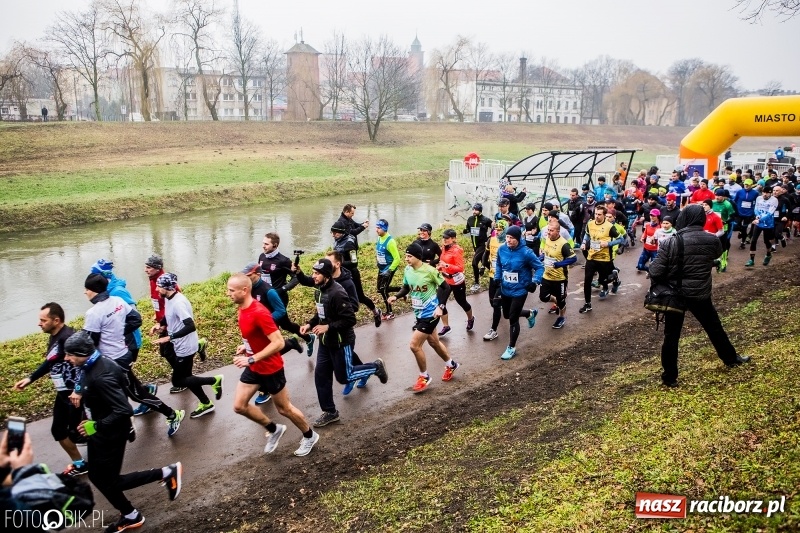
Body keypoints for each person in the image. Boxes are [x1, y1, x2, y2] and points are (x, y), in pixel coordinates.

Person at [64, 330, 183, 532]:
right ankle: (130, 514)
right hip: (100, 430)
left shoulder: (101, 375)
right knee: (97, 476)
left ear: (82, 353)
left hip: (110, 432)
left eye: (70, 355)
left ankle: (165, 473)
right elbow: (90, 380)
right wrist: (81, 395)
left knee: (108, 480)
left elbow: (124, 410)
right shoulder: (94, 362)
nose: (67, 358)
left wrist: (95, 425)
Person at [648, 205, 751, 387]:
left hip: (676, 295)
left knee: (671, 336)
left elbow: (656, 270)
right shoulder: (711, 240)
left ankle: (670, 377)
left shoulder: (672, 241)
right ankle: (731, 359)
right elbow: (711, 257)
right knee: (714, 328)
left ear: (684, 218)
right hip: (701, 293)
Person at [79, 273, 185, 438]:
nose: (85, 293)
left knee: (136, 394)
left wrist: (112, 334)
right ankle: (123, 426)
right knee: (114, 393)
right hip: (121, 355)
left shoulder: (93, 313)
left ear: (93, 291)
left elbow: (90, 344)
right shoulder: (118, 301)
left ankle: (172, 414)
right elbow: (136, 320)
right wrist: (117, 333)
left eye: (86, 289)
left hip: (114, 361)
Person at [226, 273, 320, 456]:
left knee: (284, 409)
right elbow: (256, 336)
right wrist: (246, 347)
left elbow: (278, 342)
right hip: (254, 367)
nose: (228, 294)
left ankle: (310, 436)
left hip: (270, 369)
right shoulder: (242, 309)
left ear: (244, 291)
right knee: (239, 406)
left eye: (231, 290)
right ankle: (274, 429)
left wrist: (251, 358)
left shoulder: (259, 312)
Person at [300, 259, 388, 426]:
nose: (314, 276)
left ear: (326, 275)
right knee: (321, 376)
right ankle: (330, 412)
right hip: (325, 342)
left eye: (317, 273)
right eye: (313, 272)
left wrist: (328, 327)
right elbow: (321, 313)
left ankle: (376, 367)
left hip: (341, 342)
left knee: (345, 376)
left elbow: (350, 319)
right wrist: (310, 324)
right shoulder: (319, 291)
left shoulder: (337, 292)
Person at [13, 303, 86, 477]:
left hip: (74, 395)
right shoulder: (55, 336)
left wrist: (79, 390)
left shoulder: (68, 338)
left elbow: (85, 365)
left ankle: (117, 433)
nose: (39, 323)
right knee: (59, 431)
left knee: (78, 433)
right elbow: (50, 361)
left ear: (56, 320)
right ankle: (80, 463)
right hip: (63, 394)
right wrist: (30, 378)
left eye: (43, 320)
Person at [387, 243, 461, 393]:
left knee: (414, 345)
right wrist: (397, 296)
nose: (406, 259)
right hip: (419, 313)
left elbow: (445, 287)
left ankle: (424, 376)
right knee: (434, 342)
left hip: (431, 314)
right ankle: (451, 364)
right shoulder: (408, 270)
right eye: (406, 256)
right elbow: (406, 287)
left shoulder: (429, 271)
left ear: (418, 257)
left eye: (409, 256)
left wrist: (440, 307)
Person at [150, 273, 223, 419]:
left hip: (185, 347)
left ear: (167, 287)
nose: (157, 289)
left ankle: (214, 380)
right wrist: (161, 325)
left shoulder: (178, 303)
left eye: (159, 286)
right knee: (187, 378)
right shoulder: (170, 298)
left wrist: (169, 338)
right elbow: (168, 316)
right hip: (181, 344)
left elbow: (190, 326)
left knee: (178, 380)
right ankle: (206, 403)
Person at [493, 225, 544, 359]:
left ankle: (511, 347)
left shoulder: (526, 252)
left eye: (512, 238)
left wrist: (535, 281)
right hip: (505, 288)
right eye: (507, 237)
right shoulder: (502, 249)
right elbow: (498, 263)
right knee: (507, 315)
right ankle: (530, 313)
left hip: (520, 290)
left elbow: (539, 267)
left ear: (518, 239)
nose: (508, 240)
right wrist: (497, 277)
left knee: (513, 319)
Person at [144, 254, 191, 394]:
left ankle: (183, 379)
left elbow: (175, 296)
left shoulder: (163, 281)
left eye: (148, 267)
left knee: (168, 352)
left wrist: (164, 324)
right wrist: (156, 315)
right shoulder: (153, 279)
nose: (145, 270)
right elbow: (158, 301)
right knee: (166, 352)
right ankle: (186, 369)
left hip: (170, 323)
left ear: (157, 268)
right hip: (163, 320)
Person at [331, 223, 382, 327]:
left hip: (352, 274)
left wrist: (338, 263)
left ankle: (376, 312)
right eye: (332, 232)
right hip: (340, 274)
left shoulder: (349, 243)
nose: (333, 235)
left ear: (341, 232)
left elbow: (354, 262)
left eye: (335, 233)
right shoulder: (338, 240)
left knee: (360, 297)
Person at [579, 205, 624, 313]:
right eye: (595, 214)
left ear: (604, 215)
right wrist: (584, 242)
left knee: (603, 280)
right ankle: (587, 304)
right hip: (592, 257)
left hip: (604, 258)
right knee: (587, 281)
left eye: (599, 214)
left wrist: (608, 244)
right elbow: (587, 234)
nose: (597, 216)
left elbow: (621, 239)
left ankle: (614, 276)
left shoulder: (609, 227)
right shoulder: (590, 224)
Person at [436, 229, 475, 336]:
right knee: (440, 302)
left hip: (456, 280)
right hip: (445, 280)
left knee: (462, 302)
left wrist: (446, 266)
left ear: (453, 239)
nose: (445, 240)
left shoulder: (457, 250)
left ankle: (470, 318)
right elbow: (443, 261)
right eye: (444, 238)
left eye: (447, 238)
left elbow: (460, 267)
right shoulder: (444, 247)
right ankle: (446, 326)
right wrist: (440, 267)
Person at [540, 220, 577, 329]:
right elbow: (546, 255)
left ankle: (561, 317)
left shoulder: (563, 244)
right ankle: (556, 301)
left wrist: (559, 264)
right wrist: (540, 259)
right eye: (548, 230)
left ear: (558, 232)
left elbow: (573, 258)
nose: (549, 232)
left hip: (560, 278)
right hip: (547, 275)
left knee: (561, 301)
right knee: (543, 297)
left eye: (551, 231)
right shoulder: (547, 239)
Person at [483, 219, 508, 342]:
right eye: (496, 229)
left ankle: (493, 330)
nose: (497, 232)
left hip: (503, 279)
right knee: (493, 303)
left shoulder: (509, 244)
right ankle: (527, 313)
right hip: (493, 277)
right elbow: (485, 258)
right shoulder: (490, 240)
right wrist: (486, 267)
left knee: (497, 304)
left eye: (500, 229)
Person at [375, 219, 402, 319]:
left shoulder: (390, 242)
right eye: (376, 227)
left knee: (383, 290)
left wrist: (389, 270)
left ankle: (390, 312)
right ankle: (401, 290)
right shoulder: (379, 238)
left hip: (388, 269)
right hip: (381, 268)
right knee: (379, 289)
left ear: (384, 229)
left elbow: (397, 258)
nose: (376, 230)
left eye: (378, 228)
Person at [462, 203, 493, 291]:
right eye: (474, 209)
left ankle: (476, 283)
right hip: (475, 245)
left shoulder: (485, 220)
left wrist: (490, 236)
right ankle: (496, 274)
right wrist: (466, 231)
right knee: (484, 261)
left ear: (480, 211)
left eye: (476, 210)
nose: (474, 211)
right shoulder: (470, 219)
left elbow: (493, 227)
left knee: (474, 263)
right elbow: (468, 228)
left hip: (482, 245)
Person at [747, 185, 779, 267]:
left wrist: (759, 220)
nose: (765, 194)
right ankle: (751, 260)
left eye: (767, 193)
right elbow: (756, 208)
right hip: (759, 223)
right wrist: (757, 216)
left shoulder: (774, 200)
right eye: (764, 192)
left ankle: (768, 254)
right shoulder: (759, 198)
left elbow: (770, 214)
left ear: (770, 194)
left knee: (766, 241)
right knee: (753, 240)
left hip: (768, 224)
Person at [257, 232, 294, 300]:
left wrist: (283, 289)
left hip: (278, 297)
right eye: (263, 243)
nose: (263, 246)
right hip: (265, 294)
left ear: (275, 245)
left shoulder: (284, 261)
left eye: (266, 244)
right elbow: (258, 274)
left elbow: (296, 277)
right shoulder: (262, 256)